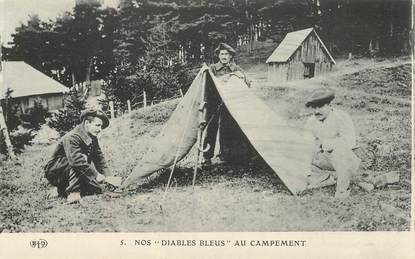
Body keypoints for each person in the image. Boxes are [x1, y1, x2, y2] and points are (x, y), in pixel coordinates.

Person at [44, 109, 112, 203]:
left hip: (75, 171)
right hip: (57, 172)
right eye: (98, 125)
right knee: (81, 158)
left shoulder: (92, 137)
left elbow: (99, 158)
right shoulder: (71, 137)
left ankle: (60, 190)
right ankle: (73, 192)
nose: (100, 129)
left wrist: (108, 177)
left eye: (101, 126)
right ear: (87, 123)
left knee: (96, 189)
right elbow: (76, 161)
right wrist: (96, 175)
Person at [304, 88, 361, 198]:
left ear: (330, 105)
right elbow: (307, 141)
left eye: (320, 107)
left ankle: (342, 191)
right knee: (301, 154)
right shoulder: (311, 121)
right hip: (324, 160)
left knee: (339, 150)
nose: (317, 111)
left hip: (345, 160)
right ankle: (327, 178)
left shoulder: (342, 118)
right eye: (314, 107)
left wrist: (330, 144)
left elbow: (350, 143)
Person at [202, 43, 252, 166]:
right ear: (218, 56)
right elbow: (207, 85)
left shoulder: (237, 69)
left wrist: (241, 78)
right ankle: (207, 157)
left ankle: (226, 155)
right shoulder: (212, 69)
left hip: (230, 104)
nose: (224, 56)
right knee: (211, 130)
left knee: (229, 129)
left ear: (231, 56)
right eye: (222, 54)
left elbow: (247, 84)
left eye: (226, 54)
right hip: (214, 103)